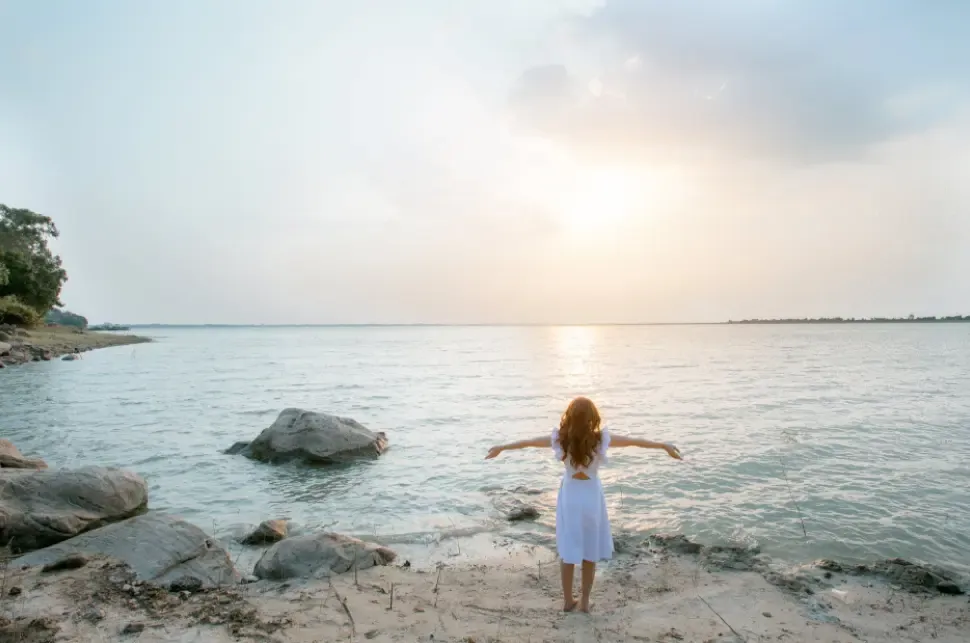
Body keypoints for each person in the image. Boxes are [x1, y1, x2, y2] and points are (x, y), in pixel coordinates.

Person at [485, 396, 682, 613]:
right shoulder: (600, 440)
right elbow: (634, 441)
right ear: (592, 417)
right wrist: (663, 446)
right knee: (590, 550)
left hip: (570, 496)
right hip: (591, 497)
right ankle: (585, 603)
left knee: (569, 549)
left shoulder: (560, 439)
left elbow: (528, 442)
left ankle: (568, 601)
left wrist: (502, 447)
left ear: (569, 417)